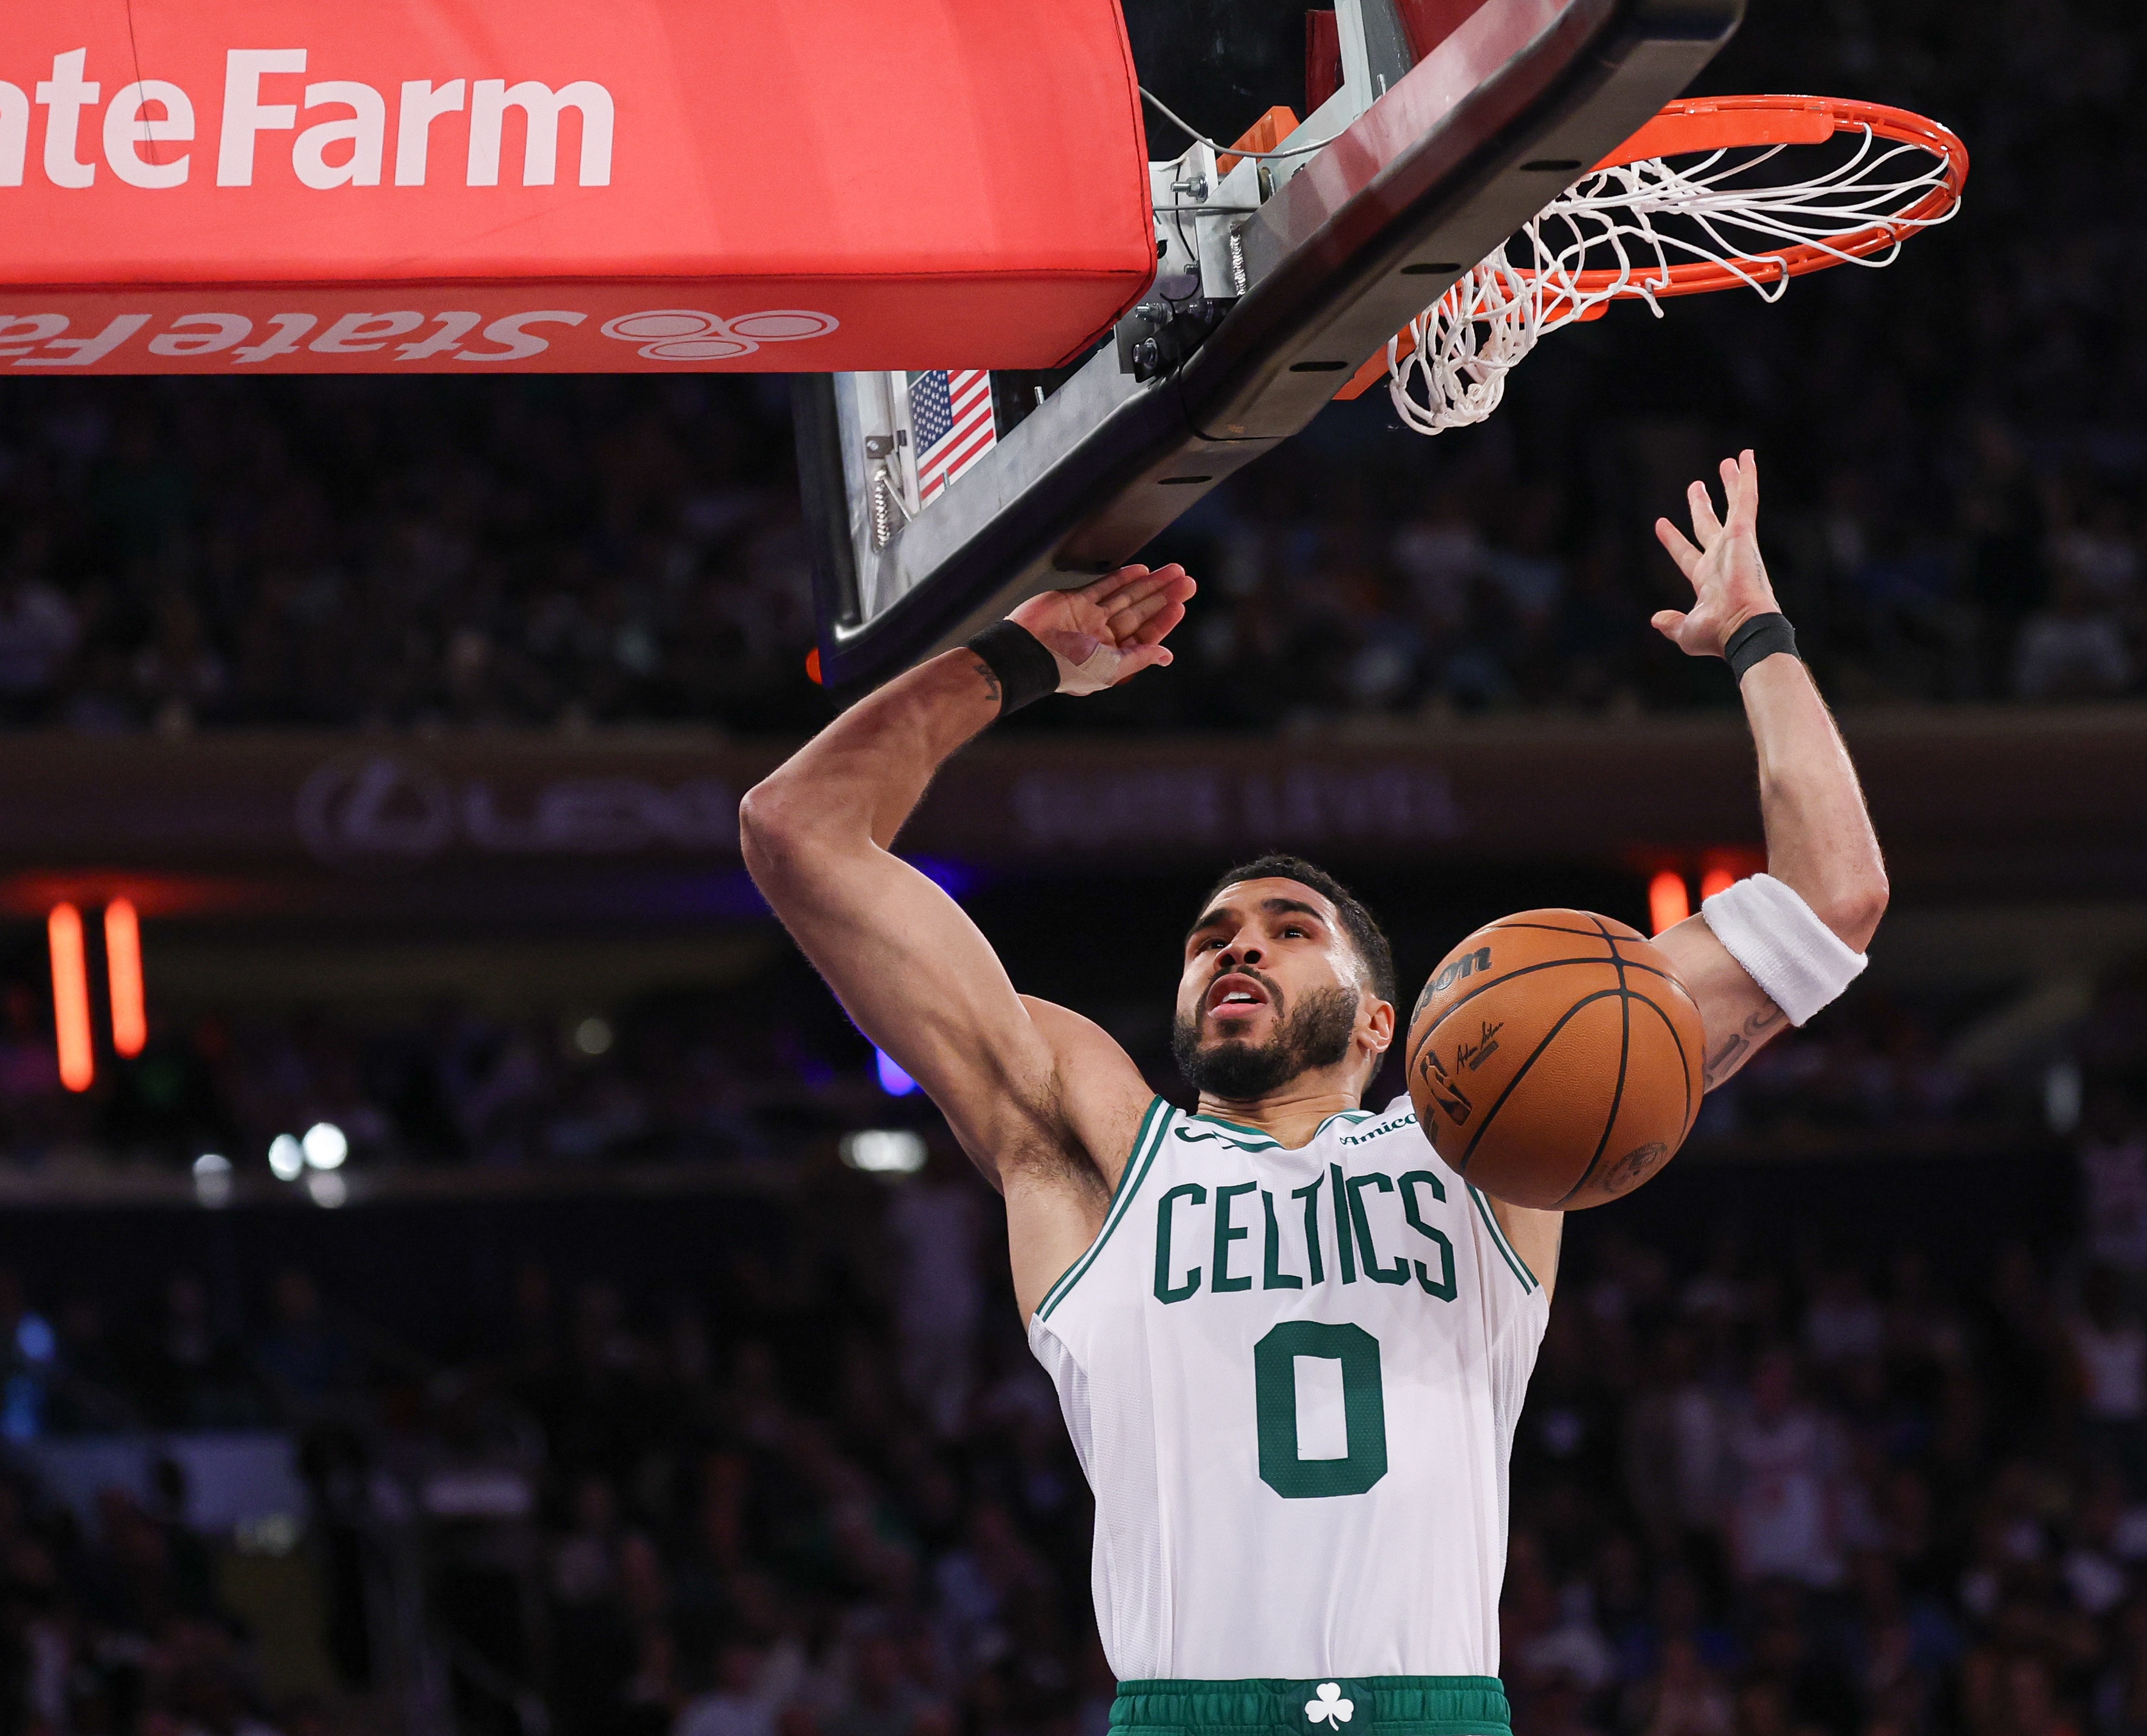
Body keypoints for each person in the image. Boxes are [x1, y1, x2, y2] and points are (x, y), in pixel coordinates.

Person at [739, 452, 1889, 1736]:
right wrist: (1018, 661)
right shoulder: (1093, 1142)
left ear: (1386, 1021)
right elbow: (798, 830)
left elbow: (1832, 900)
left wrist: (1758, 639)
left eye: (1290, 929)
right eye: (1210, 937)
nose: (1237, 945)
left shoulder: (1492, 1133)